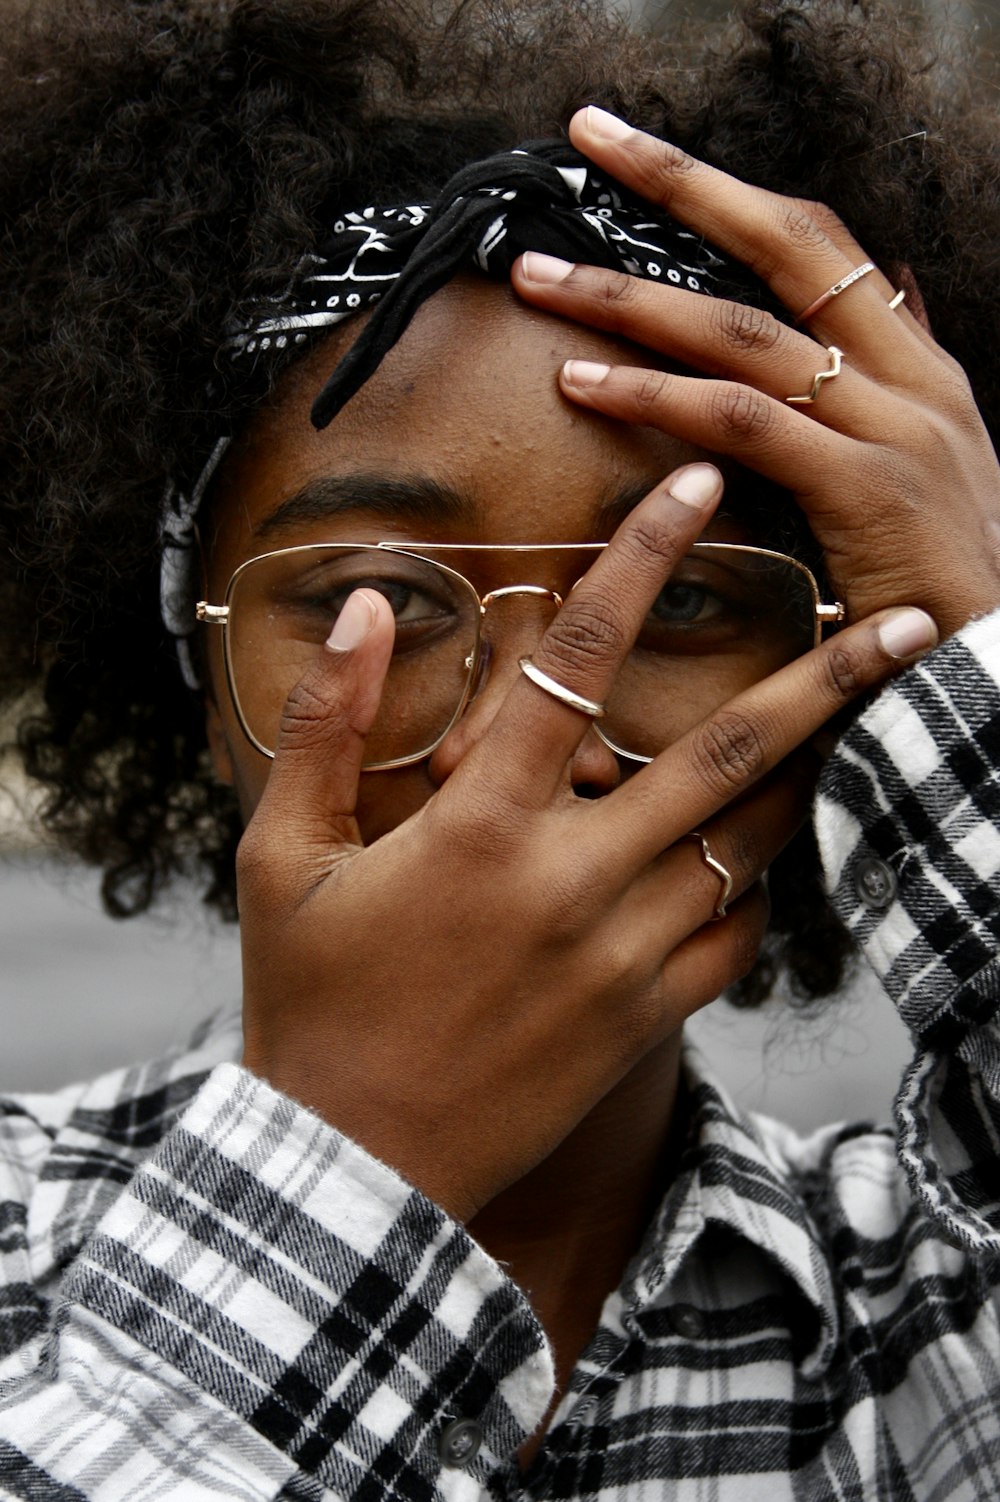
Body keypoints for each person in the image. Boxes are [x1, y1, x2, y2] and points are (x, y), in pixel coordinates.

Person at [1, 0, 999, 1496]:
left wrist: (982, 650)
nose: (514, 746)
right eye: (375, 600)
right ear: (199, 680)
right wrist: (353, 1158)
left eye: (690, 593)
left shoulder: (941, 1311)